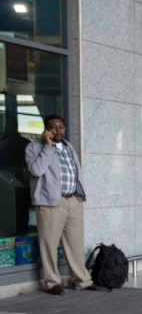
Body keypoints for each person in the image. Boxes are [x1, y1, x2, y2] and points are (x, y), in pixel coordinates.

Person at [24, 115, 109, 295]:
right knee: (49, 243)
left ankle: (82, 280)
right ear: (46, 130)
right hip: (50, 202)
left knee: (75, 244)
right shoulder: (34, 147)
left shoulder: (68, 147)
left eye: (61, 127)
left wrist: (79, 195)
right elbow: (36, 170)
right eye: (53, 127)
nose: (58, 130)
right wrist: (48, 147)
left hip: (73, 200)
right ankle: (51, 282)